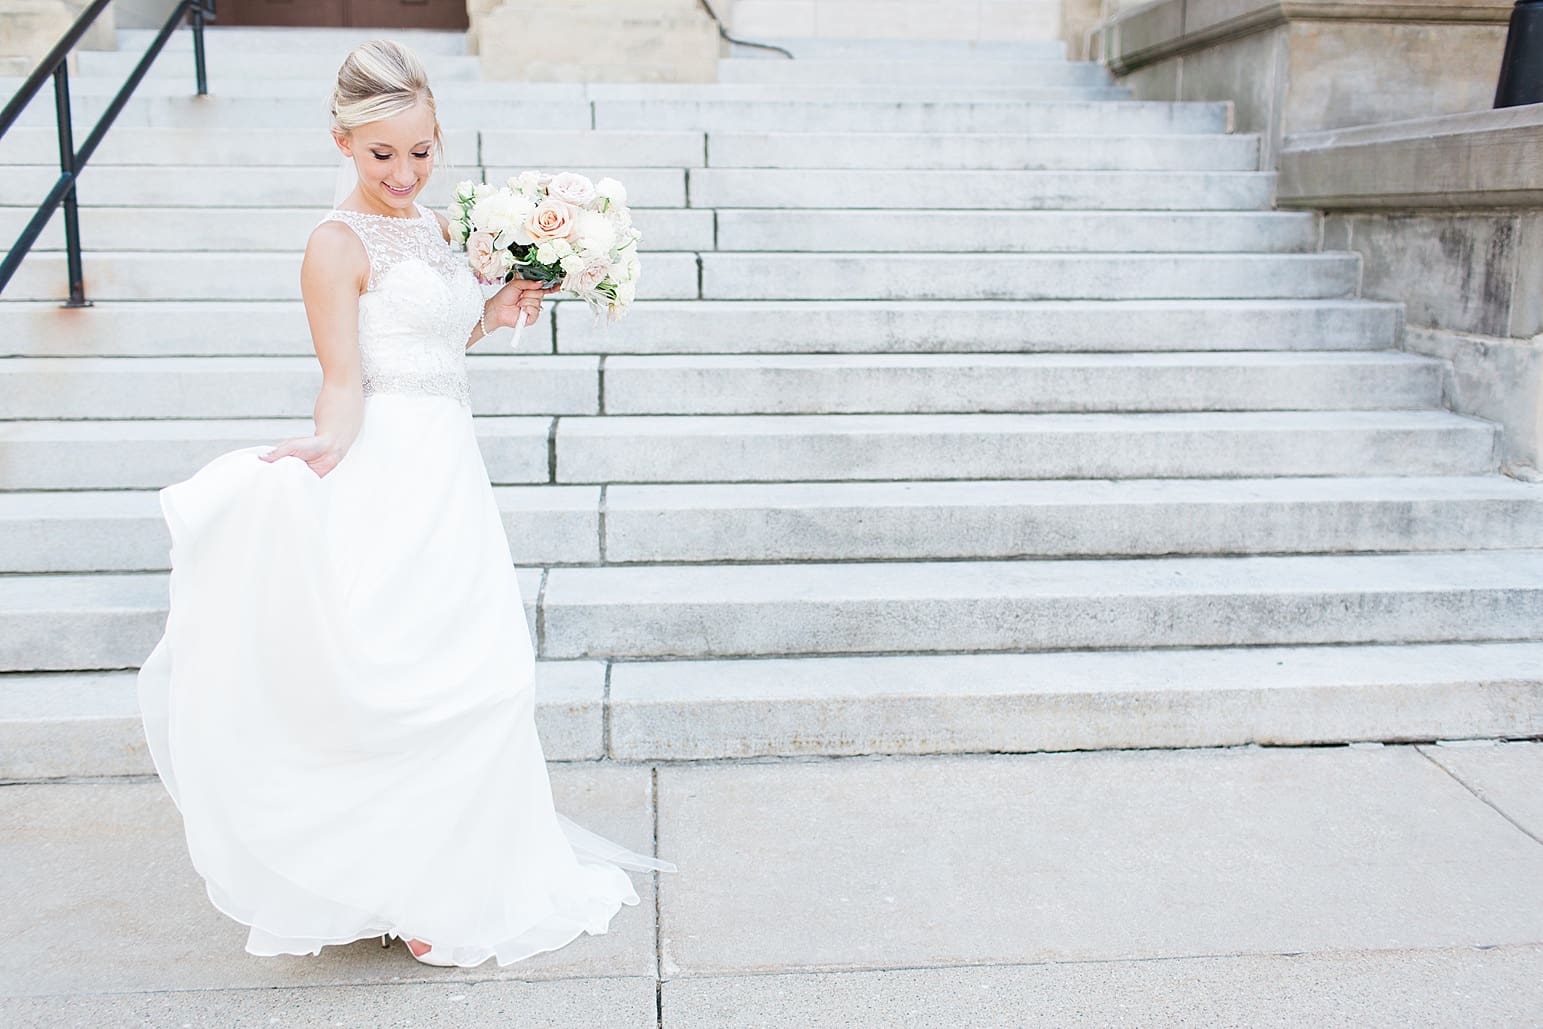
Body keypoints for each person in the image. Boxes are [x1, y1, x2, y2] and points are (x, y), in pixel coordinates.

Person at [135, 38, 676, 970]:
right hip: (386, 467)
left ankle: (451, 876)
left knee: (484, 670)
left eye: (421, 151)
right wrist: (324, 448)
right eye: (382, 154)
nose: (404, 172)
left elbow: (440, 334)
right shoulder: (332, 245)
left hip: (450, 472)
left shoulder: (432, 230)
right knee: (400, 679)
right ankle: (399, 882)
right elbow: (345, 380)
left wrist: (496, 307)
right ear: (342, 142)